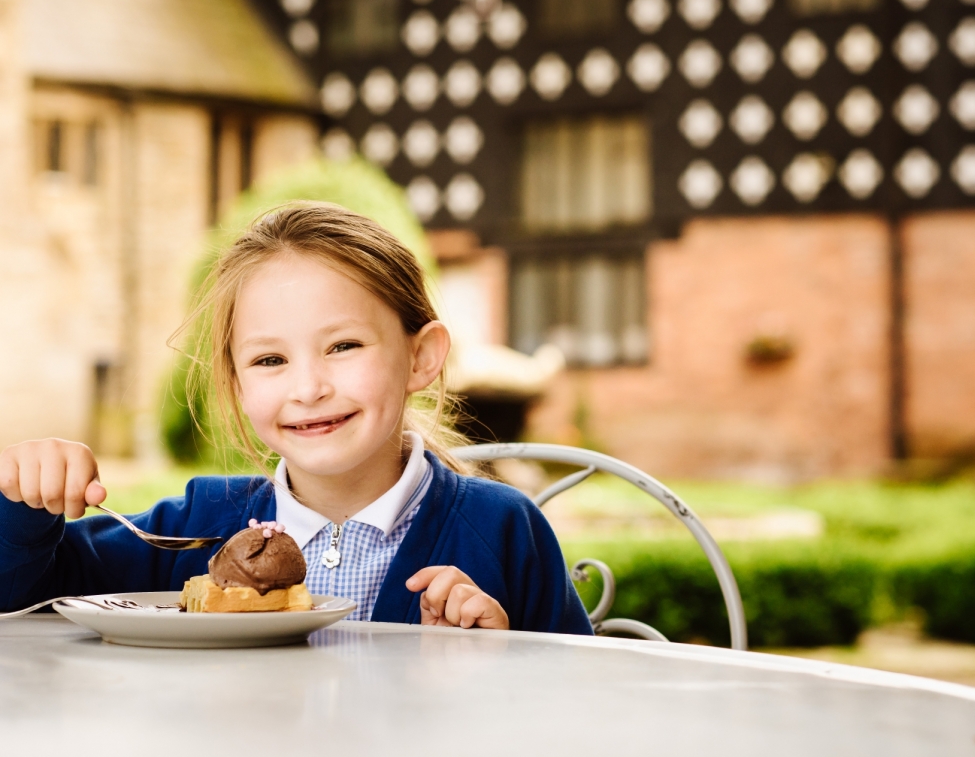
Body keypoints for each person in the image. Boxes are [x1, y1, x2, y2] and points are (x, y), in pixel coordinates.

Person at [0, 203, 593, 635]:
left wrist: (504, 662)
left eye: (343, 346)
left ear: (421, 356)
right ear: (235, 384)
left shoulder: (503, 533)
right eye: (270, 359)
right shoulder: (193, 527)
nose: (308, 388)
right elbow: (22, 599)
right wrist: (24, 507)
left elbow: (579, 712)